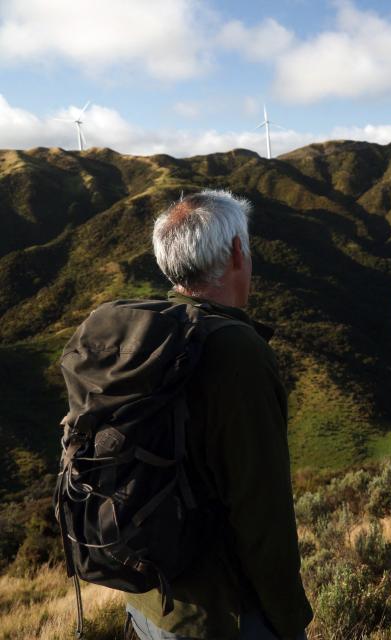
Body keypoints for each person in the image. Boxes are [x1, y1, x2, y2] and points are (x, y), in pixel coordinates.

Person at [124, 189, 313, 639]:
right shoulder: (235, 350)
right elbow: (261, 506)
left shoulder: (146, 334)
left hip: (149, 600)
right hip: (218, 615)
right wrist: (289, 619)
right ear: (235, 253)